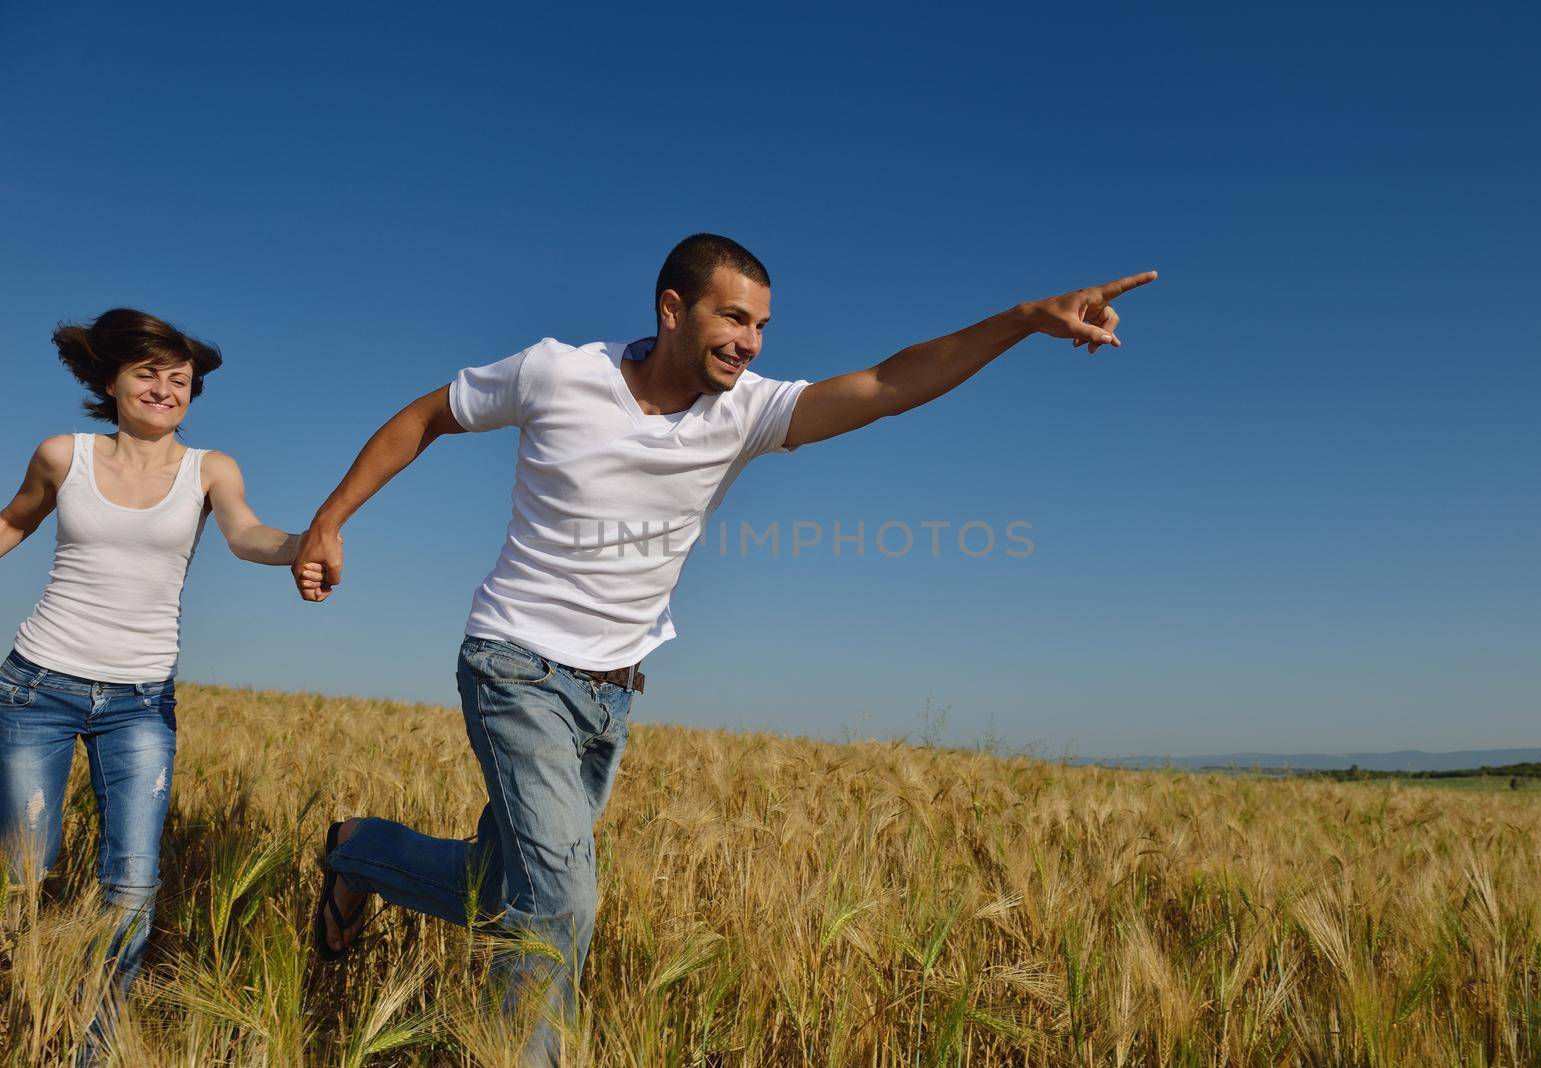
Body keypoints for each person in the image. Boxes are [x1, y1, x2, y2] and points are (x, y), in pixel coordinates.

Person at [293, 233, 1156, 1063]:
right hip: (514, 662)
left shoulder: (747, 411)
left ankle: (359, 850)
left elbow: (891, 382)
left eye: (761, 327)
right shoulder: (559, 370)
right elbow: (427, 416)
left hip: (613, 692)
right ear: (673, 309)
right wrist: (331, 519)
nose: (749, 343)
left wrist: (1021, 320)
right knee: (559, 900)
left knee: (502, 890)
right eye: (734, 319)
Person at [0, 309, 305, 1062]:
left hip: (139, 703)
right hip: (36, 686)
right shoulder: (61, 454)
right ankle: (22, 1014)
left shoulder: (211, 470)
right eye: (149, 374)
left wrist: (305, 543)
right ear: (111, 382)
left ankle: (94, 1050)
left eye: (180, 379)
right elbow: (13, 523)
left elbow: (246, 534)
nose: (166, 389)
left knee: (132, 883)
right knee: (23, 875)